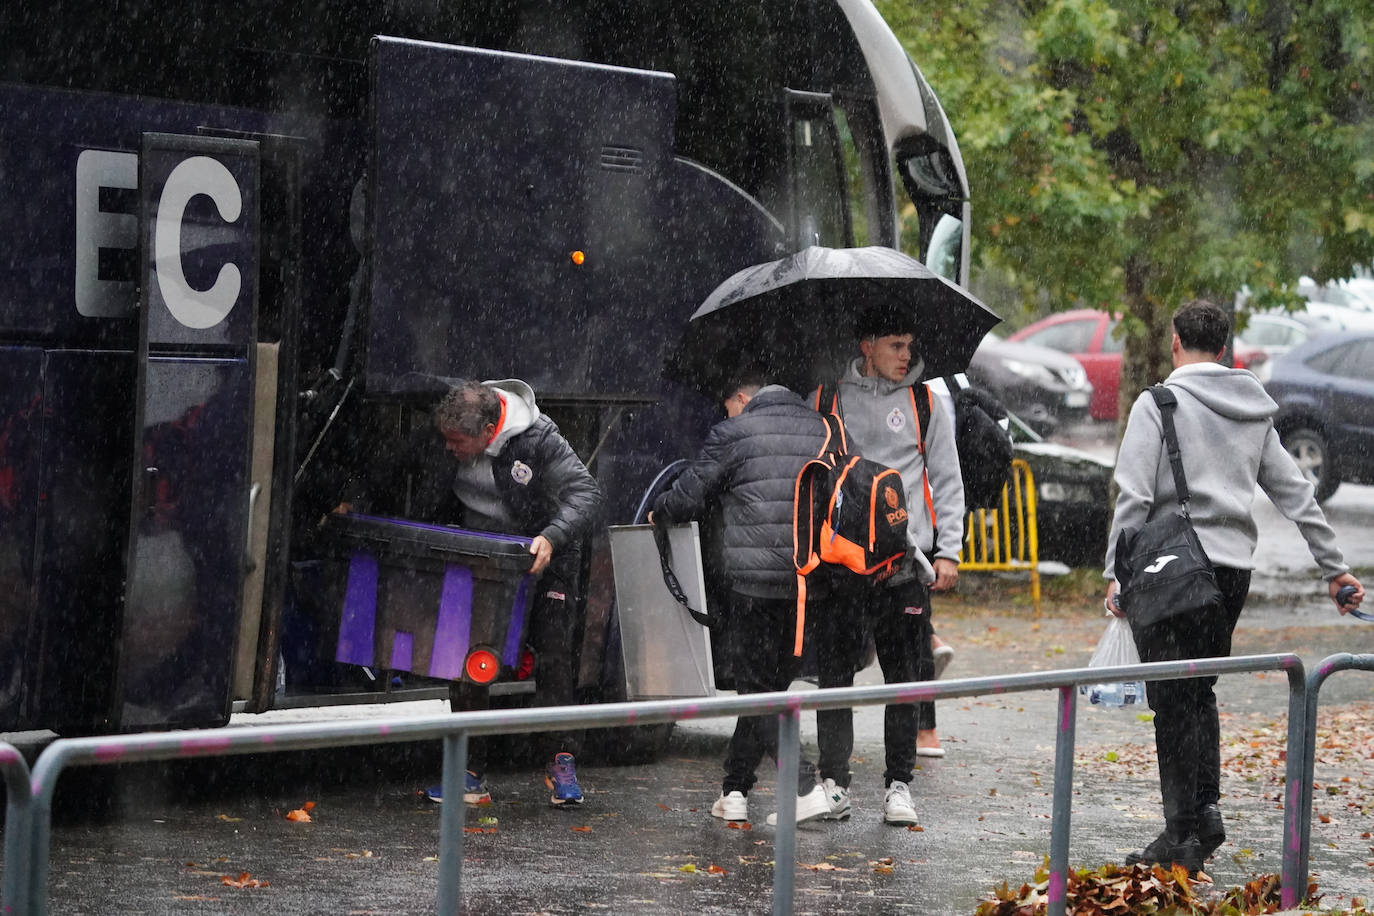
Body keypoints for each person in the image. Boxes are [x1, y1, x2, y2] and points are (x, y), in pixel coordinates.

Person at [1103, 298, 1365, 872]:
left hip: (1170, 567)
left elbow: (1134, 497)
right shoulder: (1252, 408)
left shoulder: (1158, 402)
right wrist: (1334, 567)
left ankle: (1179, 834)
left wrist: (1116, 574)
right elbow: (1296, 491)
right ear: (1224, 349)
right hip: (1230, 573)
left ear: (1176, 342)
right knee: (1200, 690)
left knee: (1171, 697)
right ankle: (1206, 814)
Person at [340, 378, 601, 807]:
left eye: (458, 443)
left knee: (554, 660)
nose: (450, 450)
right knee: (466, 658)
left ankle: (560, 762)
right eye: (446, 440)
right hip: (478, 555)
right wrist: (355, 497)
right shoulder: (449, 425)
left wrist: (552, 537)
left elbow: (585, 494)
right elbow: (389, 462)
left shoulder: (539, 438)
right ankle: (469, 772)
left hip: (541, 555)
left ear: (488, 432)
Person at [650, 372, 836, 826]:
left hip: (752, 585)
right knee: (768, 688)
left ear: (740, 397)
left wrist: (661, 509)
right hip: (807, 584)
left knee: (757, 692)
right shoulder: (823, 429)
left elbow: (691, 493)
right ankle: (734, 790)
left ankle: (805, 787)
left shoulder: (734, 432)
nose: (727, 413)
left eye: (728, 406)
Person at [815, 305, 966, 825]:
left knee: (903, 679)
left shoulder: (925, 402)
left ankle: (899, 785)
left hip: (905, 563)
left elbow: (947, 479)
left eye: (910, 346)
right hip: (842, 563)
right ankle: (833, 783)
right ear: (867, 346)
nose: (907, 356)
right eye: (895, 346)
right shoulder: (827, 397)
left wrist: (949, 550)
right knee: (835, 679)